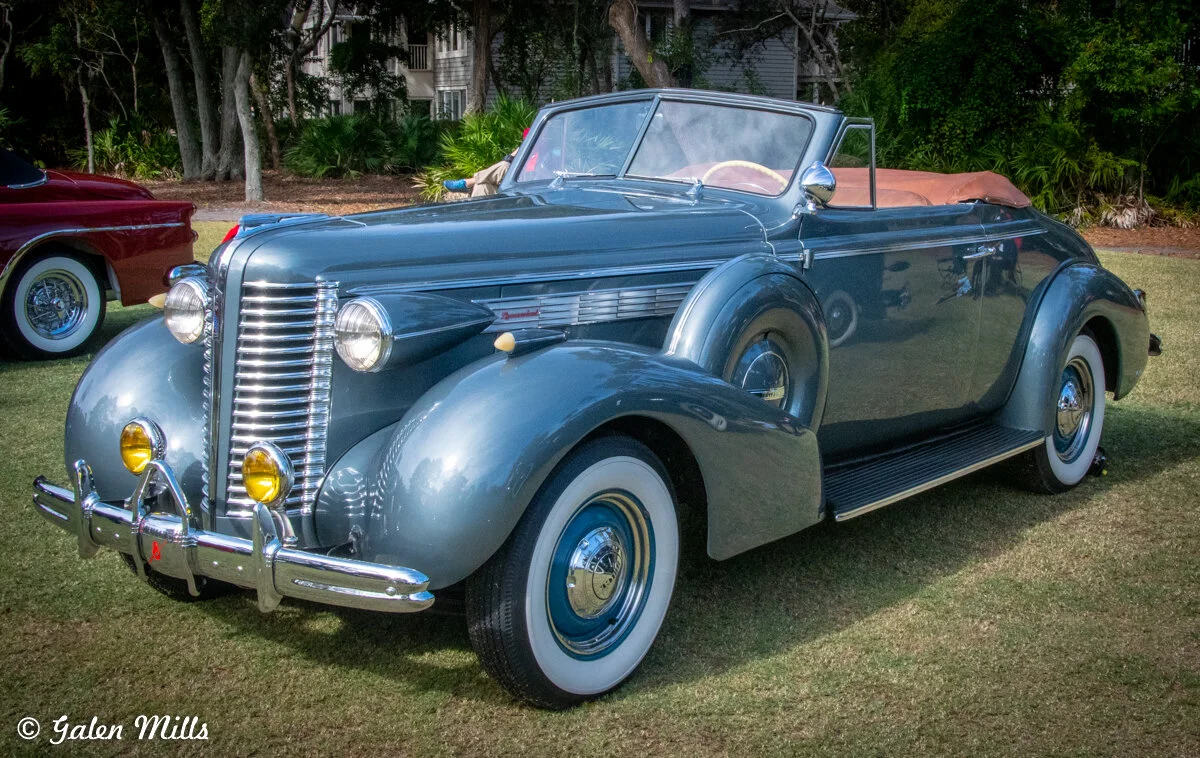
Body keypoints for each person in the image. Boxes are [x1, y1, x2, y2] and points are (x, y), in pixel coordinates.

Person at [443, 129, 531, 197]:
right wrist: (521, 150)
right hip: (510, 191)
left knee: (505, 166)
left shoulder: (543, 156)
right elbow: (508, 159)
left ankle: (468, 183)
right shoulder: (528, 153)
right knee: (481, 185)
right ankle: (477, 219)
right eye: (526, 141)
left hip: (527, 192)